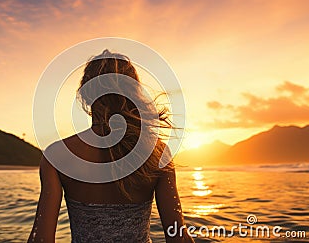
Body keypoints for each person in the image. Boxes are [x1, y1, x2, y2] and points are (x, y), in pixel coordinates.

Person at [28, 50, 194, 243]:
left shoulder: (57, 155)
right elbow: (178, 237)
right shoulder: (156, 153)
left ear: (86, 95)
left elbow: (41, 239)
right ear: (134, 92)